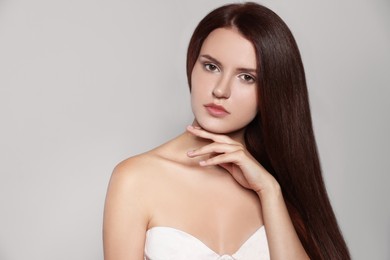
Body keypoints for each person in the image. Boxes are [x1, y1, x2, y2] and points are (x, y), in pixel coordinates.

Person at [103, 2, 350, 259]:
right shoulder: (135, 179)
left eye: (247, 77)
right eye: (211, 66)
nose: (220, 90)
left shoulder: (277, 184)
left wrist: (270, 192)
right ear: (192, 65)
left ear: (272, 91)